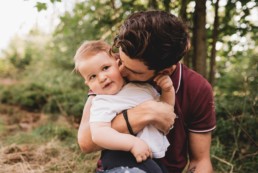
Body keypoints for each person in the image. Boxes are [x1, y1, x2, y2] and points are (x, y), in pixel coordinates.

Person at [77, 10, 216, 173]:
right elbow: (86, 142)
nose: (120, 70)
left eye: (133, 71)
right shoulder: (108, 74)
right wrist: (145, 113)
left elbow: (200, 161)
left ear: (165, 71)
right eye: (119, 60)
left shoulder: (197, 88)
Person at [74, 40, 175, 173]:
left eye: (105, 68)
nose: (102, 78)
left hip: (152, 155)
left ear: (118, 63)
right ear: (88, 84)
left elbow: (166, 112)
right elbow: (98, 134)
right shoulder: (102, 102)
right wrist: (132, 144)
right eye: (93, 76)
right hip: (120, 154)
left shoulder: (142, 87)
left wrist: (168, 90)